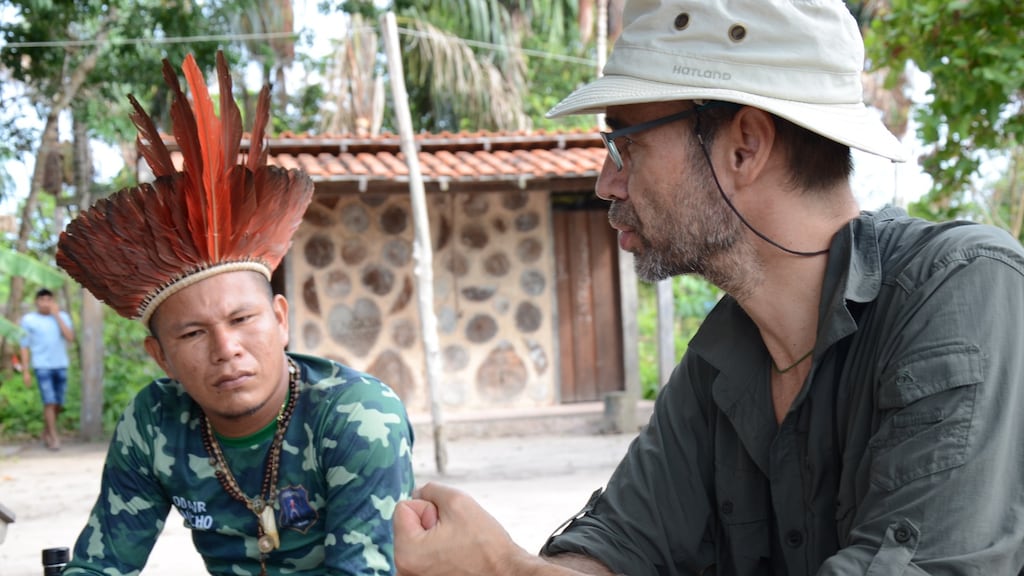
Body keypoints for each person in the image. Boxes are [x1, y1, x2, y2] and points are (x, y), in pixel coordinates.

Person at [393, 0, 1024, 575]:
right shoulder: (723, 359)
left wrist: (505, 569)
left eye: (623, 144)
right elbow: (616, 550)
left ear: (744, 146)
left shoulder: (963, 289)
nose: (605, 185)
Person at [55, 52, 414, 575]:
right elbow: (101, 565)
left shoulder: (360, 416)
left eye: (243, 320)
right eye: (194, 333)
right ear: (160, 355)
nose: (227, 350)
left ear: (281, 319)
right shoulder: (155, 424)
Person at [19, 287, 75, 450]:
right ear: (36, 302)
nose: (45, 303)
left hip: (61, 364)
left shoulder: (62, 317)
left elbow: (70, 337)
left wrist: (57, 315)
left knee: (58, 403)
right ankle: (53, 437)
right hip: (42, 365)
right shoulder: (29, 320)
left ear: (53, 301)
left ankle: (46, 431)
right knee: (49, 401)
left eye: (48, 300)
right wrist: (25, 371)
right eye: (42, 300)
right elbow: (24, 346)